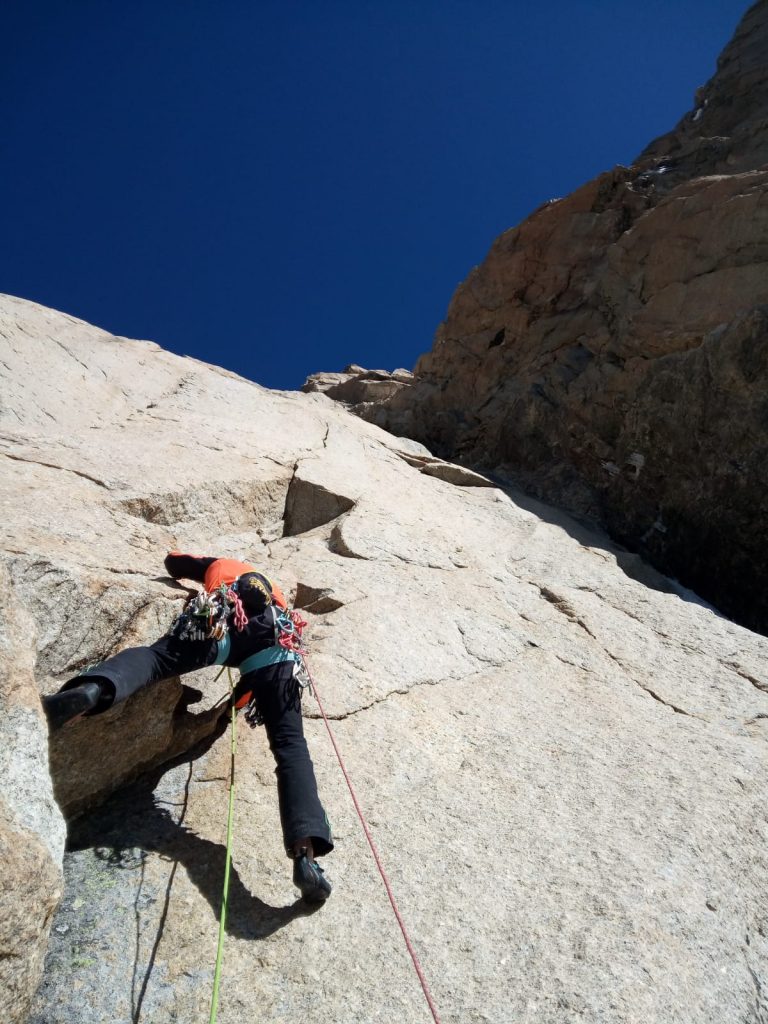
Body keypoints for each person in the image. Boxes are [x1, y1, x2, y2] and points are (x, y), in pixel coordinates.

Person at [42, 551, 333, 903]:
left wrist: (196, 572)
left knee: (156, 659)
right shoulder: (277, 595)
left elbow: (175, 562)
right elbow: (250, 692)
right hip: (276, 641)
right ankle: (305, 854)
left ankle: (93, 690)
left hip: (222, 617)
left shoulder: (221, 565)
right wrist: (235, 706)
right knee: (291, 747)